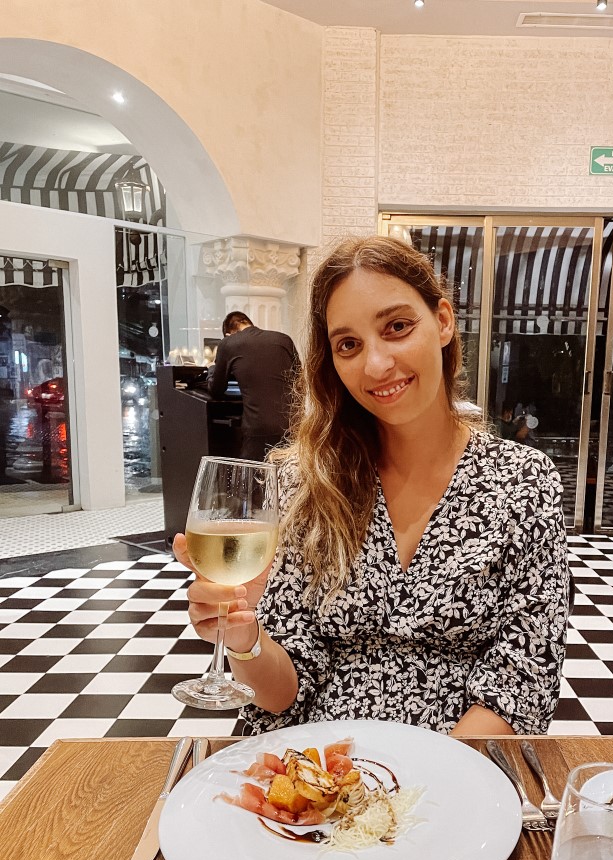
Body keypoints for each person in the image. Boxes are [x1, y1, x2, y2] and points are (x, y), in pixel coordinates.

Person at [175, 236, 570, 738]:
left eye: (398, 327)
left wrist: (407, 798)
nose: (376, 365)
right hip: (312, 767)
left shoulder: (522, 481)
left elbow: (522, 678)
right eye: (349, 345)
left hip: (459, 767)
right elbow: (280, 696)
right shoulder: (304, 482)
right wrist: (244, 637)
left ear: (443, 321)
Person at [208, 310, 298, 462]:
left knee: (252, 480)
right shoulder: (284, 339)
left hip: (258, 429)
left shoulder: (229, 343)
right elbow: (299, 380)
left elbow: (216, 389)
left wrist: (211, 369)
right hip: (292, 425)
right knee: (287, 477)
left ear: (229, 334)